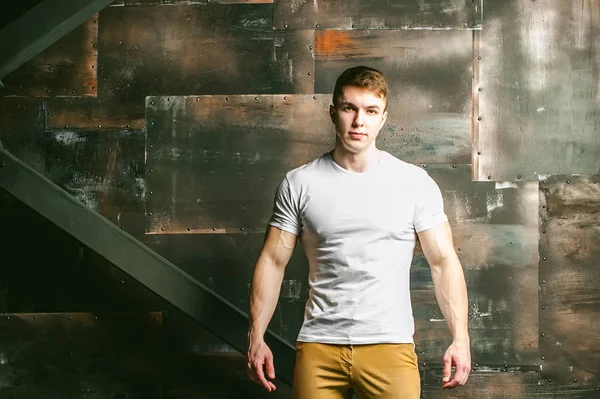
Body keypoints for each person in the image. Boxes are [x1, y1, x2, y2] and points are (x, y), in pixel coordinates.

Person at [246, 65, 471, 398]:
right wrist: (256, 336)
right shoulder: (300, 183)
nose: (358, 121)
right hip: (319, 347)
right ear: (333, 112)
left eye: (370, 111)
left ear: (383, 118)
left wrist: (460, 338)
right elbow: (273, 261)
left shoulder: (413, 183)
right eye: (349, 108)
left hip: (390, 346)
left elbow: (443, 262)